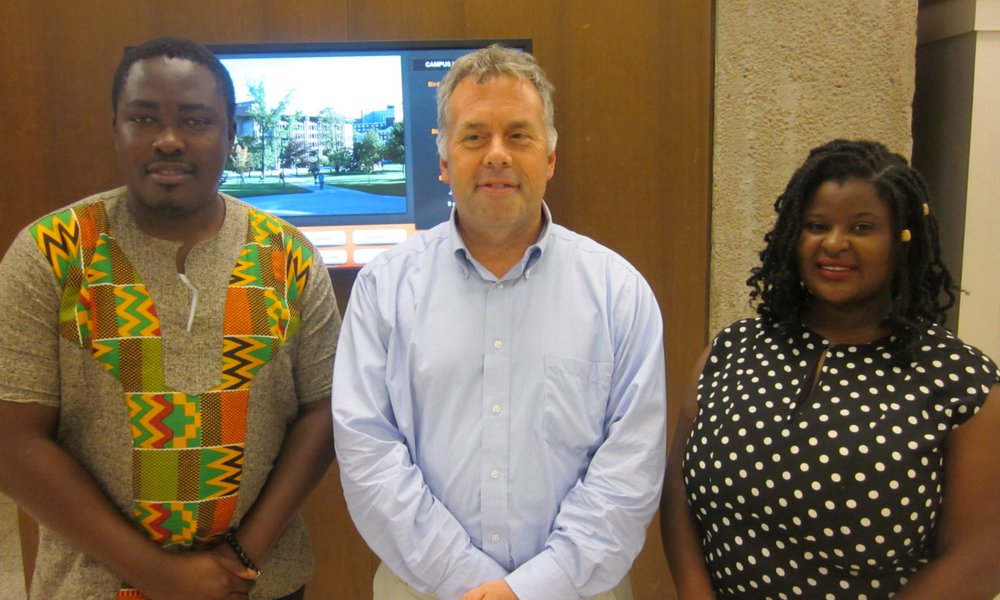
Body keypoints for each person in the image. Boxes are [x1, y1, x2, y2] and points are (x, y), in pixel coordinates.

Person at [0, 37, 341, 600]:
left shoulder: (290, 256)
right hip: (93, 586)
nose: (167, 140)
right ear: (116, 127)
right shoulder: (52, 253)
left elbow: (324, 410)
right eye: (143, 118)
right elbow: (13, 442)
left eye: (195, 120)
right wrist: (159, 574)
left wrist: (240, 556)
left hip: (261, 582)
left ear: (231, 134)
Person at [331, 45, 667, 600]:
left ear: (550, 158)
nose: (497, 155)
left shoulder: (618, 293)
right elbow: (368, 452)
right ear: (443, 161)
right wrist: (472, 583)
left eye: (518, 135)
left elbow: (629, 469)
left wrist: (531, 589)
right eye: (473, 136)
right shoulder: (384, 289)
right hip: (424, 589)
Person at [661, 139, 1000, 598]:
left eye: (862, 227)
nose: (834, 243)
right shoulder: (733, 349)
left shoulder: (959, 382)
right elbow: (679, 487)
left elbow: (978, 558)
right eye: (817, 225)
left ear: (904, 240)